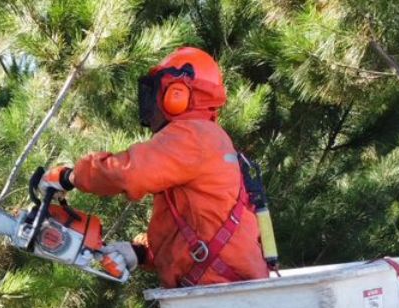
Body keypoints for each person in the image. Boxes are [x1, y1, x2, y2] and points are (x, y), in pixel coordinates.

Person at [30, 46, 267, 288]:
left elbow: (130, 173)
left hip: (221, 290)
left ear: (178, 93)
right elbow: (194, 229)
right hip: (226, 286)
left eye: (157, 91)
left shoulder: (193, 135)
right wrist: (141, 253)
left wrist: (71, 175)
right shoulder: (208, 139)